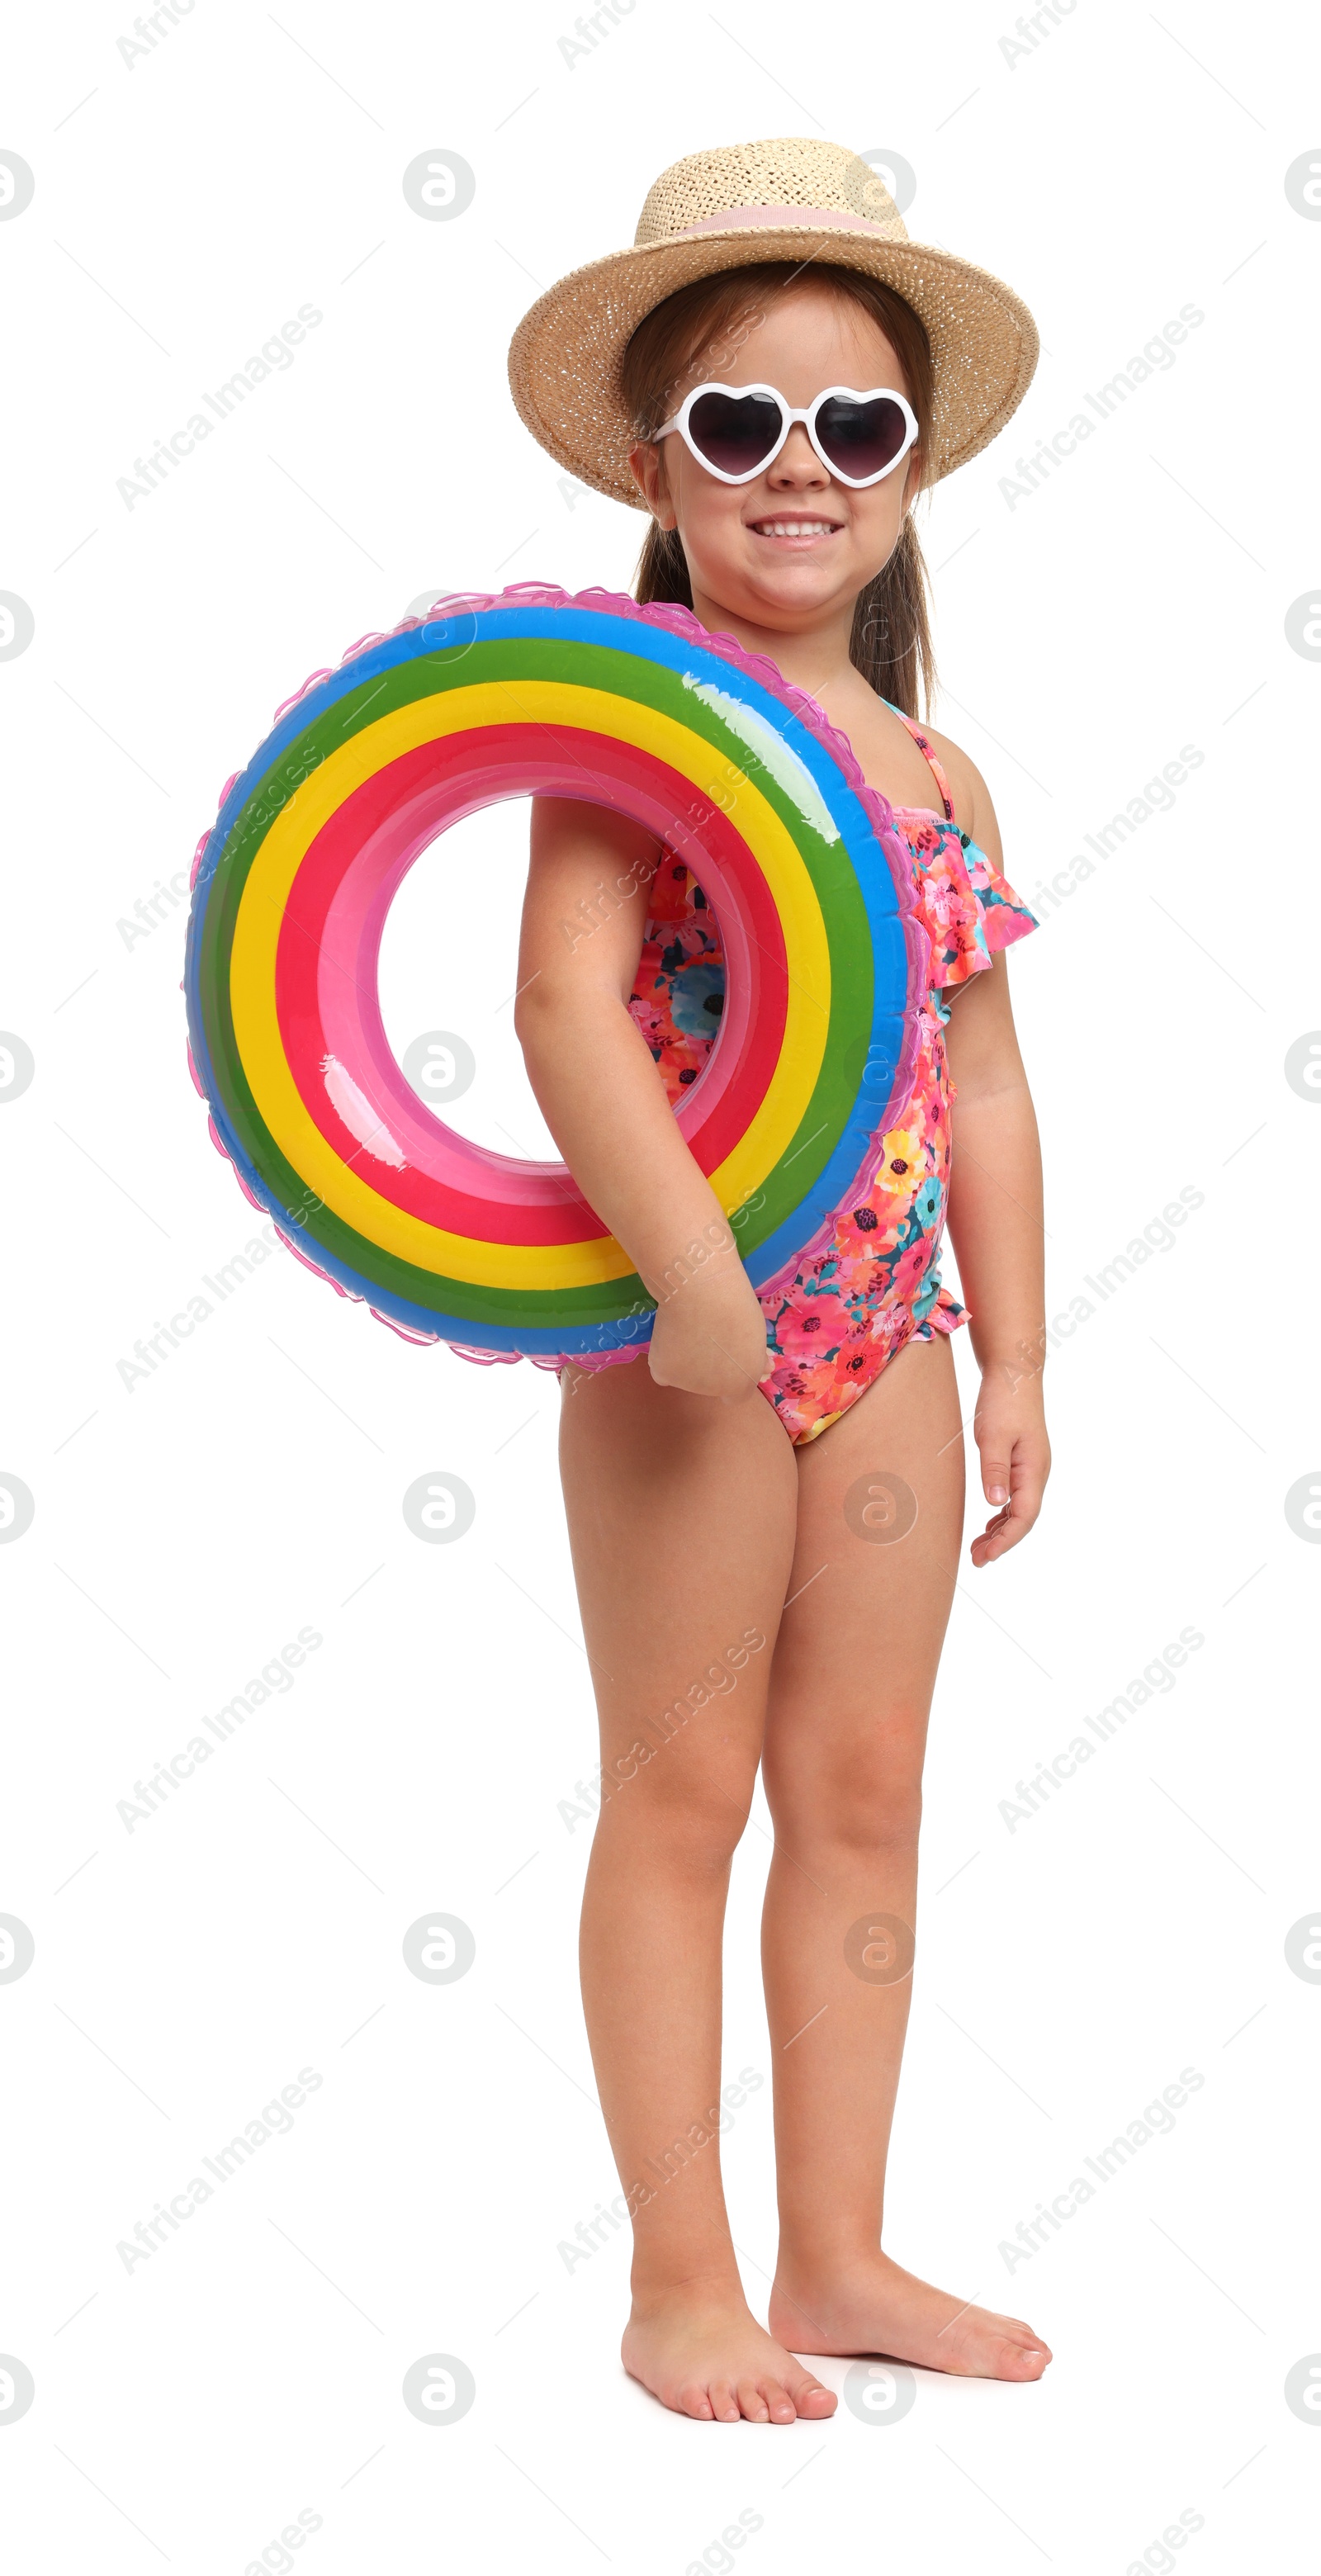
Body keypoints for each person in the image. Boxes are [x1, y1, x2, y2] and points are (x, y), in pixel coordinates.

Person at [505, 137, 1053, 2422]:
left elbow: (987, 1079)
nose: (798, 468)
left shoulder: (940, 769)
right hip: (683, 1343)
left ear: (914, 473)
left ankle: (837, 2248)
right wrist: (694, 1282)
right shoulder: (631, 720)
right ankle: (679, 2275)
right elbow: (560, 1007)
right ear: (661, 462)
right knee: (683, 1790)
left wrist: (1016, 1353)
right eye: (741, 423)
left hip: (889, 1349)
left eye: (855, 426)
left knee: (864, 1794)